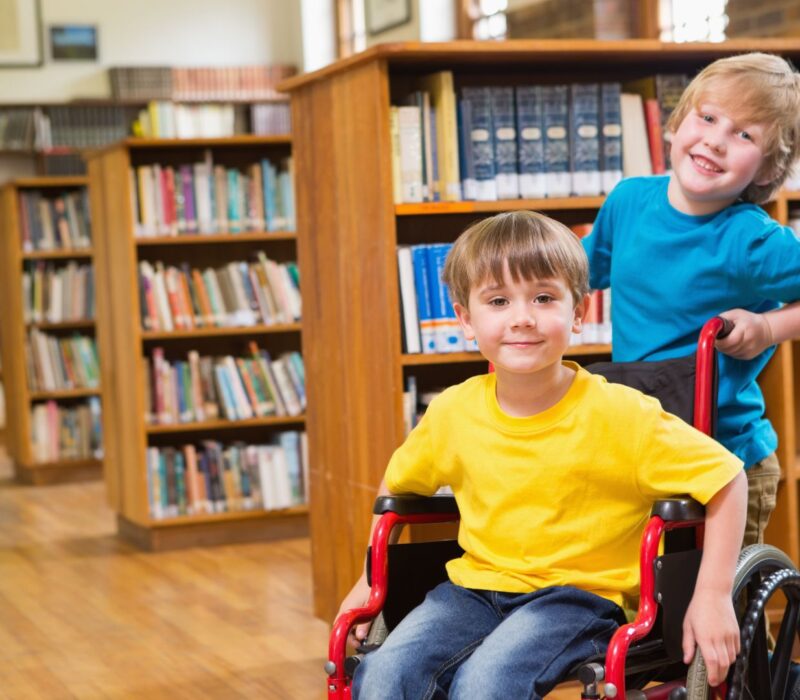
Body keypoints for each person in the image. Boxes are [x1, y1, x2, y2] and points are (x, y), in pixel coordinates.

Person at [338, 211, 747, 699]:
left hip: (579, 599)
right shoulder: (454, 411)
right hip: (472, 590)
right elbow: (397, 487)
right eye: (497, 300)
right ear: (466, 319)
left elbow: (727, 479)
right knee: (383, 674)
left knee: (485, 684)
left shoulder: (622, 414)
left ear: (579, 312)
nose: (522, 317)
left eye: (544, 298)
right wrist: (369, 578)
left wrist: (713, 594)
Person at [582, 52, 800, 549]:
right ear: (677, 123)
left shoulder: (752, 241)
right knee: (657, 600)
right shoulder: (629, 201)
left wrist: (768, 329)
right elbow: (578, 271)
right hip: (644, 446)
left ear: (766, 170)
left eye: (745, 135)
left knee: (719, 609)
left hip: (726, 459)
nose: (716, 141)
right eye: (707, 117)